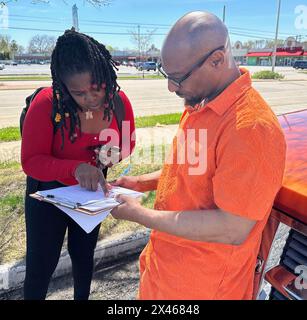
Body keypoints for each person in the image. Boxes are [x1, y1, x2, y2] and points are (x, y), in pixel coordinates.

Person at [110, 11, 287, 300]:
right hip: (162, 270)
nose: (170, 87)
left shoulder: (251, 129)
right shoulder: (202, 101)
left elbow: (232, 228)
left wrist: (140, 214)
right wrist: (140, 182)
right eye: (165, 74)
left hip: (202, 287)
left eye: (178, 77)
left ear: (217, 59)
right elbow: (191, 169)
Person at [21, 29, 135, 300]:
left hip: (90, 193)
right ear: (63, 85)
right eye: (78, 92)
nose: (90, 98)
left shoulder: (119, 103)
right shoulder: (47, 104)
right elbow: (31, 161)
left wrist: (115, 155)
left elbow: (130, 141)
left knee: (84, 256)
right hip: (46, 193)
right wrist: (74, 169)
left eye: (96, 88)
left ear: (106, 76)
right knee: (41, 265)